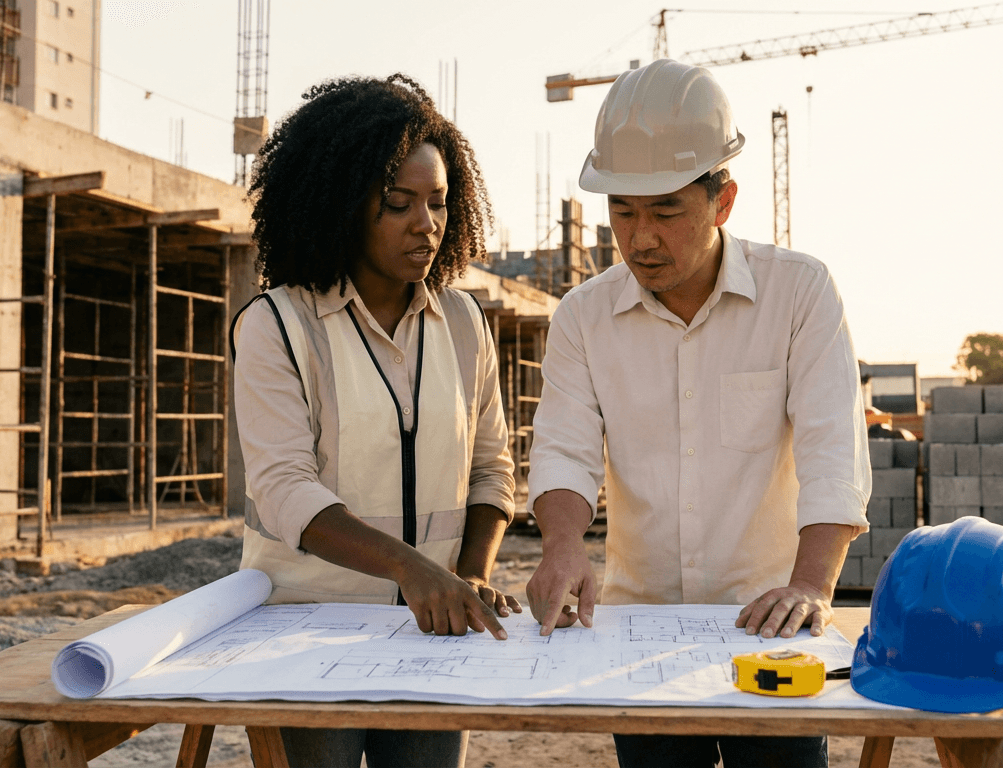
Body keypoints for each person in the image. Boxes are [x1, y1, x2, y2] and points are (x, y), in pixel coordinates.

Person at [524, 59, 871, 768]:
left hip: (771, 626)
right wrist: (561, 545)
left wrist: (811, 586)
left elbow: (833, 449)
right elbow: (564, 448)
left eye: (665, 211)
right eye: (623, 211)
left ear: (723, 200)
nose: (640, 238)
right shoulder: (582, 318)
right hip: (637, 634)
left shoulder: (800, 293)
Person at [232, 73, 517, 768]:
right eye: (398, 203)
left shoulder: (464, 321)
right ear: (342, 203)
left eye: (439, 202)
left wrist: (469, 574)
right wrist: (413, 570)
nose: (426, 223)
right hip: (304, 635)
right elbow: (285, 490)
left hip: (435, 632)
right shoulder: (277, 325)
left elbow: (491, 469)